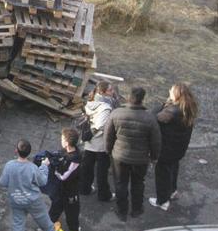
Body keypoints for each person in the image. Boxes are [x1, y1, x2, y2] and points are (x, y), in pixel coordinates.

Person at [0, 139, 62, 231]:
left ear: (16, 151)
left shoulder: (9, 165)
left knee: (18, 224)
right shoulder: (32, 168)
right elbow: (42, 181)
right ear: (29, 153)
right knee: (42, 216)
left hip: (16, 200)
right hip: (33, 200)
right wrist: (44, 166)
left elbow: (2, 182)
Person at [105, 86, 161, 220]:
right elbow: (156, 141)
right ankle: (137, 209)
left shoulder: (116, 113)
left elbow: (108, 136)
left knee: (120, 184)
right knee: (138, 183)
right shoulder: (150, 118)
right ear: (142, 99)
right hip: (140, 159)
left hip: (119, 156)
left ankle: (122, 211)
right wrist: (154, 157)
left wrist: (108, 151)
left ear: (129, 97)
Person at [149, 83, 198, 212]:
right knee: (173, 169)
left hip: (166, 150)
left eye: (171, 90)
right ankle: (172, 191)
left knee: (162, 174)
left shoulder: (171, 112)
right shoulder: (187, 108)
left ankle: (162, 201)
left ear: (176, 95)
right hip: (178, 149)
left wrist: (163, 105)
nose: (169, 91)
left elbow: (153, 118)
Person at [79, 81, 116, 202]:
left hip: (89, 142)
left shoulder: (90, 102)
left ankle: (85, 188)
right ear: (103, 92)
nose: (113, 92)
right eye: (110, 90)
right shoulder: (106, 107)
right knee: (102, 171)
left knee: (87, 167)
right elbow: (101, 125)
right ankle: (104, 195)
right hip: (100, 143)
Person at [48, 128, 83, 231]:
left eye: (62, 139)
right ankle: (48, 225)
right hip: (62, 188)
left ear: (67, 142)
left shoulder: (75, 159)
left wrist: (54, 169)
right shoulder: (65, 151)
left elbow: (64, 177)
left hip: (71, 190)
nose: (61, 140)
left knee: (71, 211)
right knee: (56, 206)